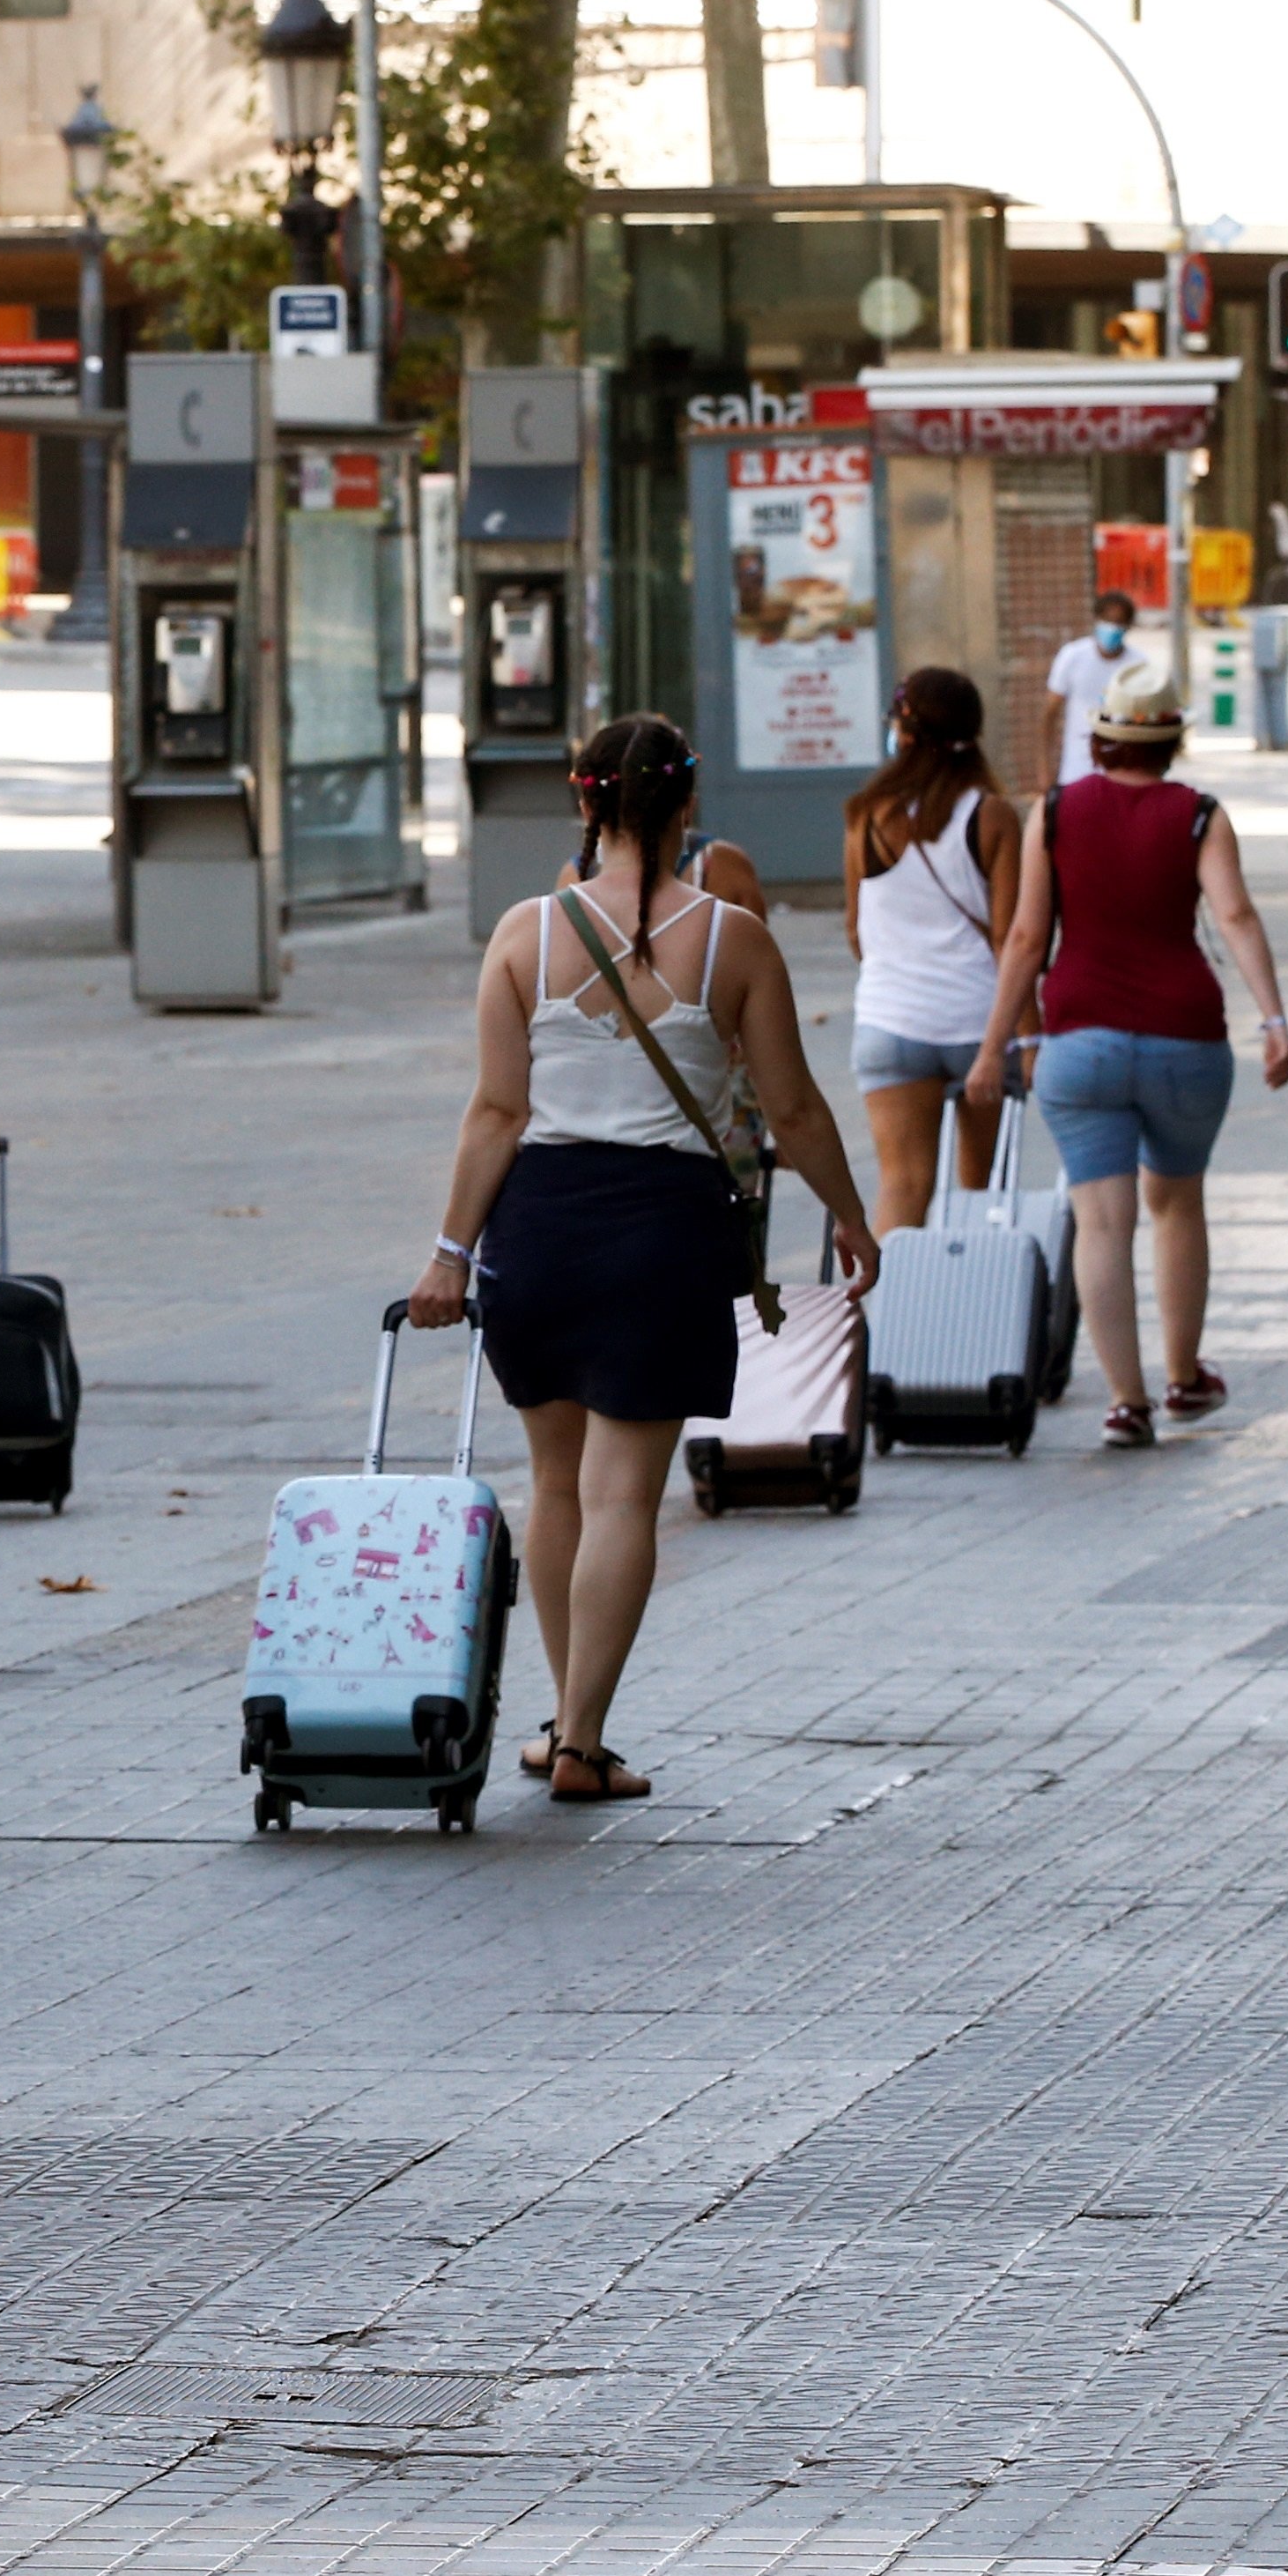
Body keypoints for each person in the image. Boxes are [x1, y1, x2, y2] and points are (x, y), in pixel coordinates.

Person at [407, 716, 877, 1805]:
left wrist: (447, 1256)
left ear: (588, 806)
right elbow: (793, 1108)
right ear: (685, 808)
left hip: (540, 1229)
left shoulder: (524, 935)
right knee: (626, 1498)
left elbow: (495, 1110)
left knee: (557, 1486)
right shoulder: (734, 939)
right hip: (665, 1231)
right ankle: (582, 1741)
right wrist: (851, 1216)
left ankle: (562, 1725)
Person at [964, 665, 1288, 1448]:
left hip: (1080, 1043)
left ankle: (1126, 1401)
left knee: (1102, 1222)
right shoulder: (1200, 816)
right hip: (1186, 1038)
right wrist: (1275, 1018)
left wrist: (995, 1048)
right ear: (1173, 738)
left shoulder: (1055, 813)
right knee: (1177, 1204)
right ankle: (1184, 1377)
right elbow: (1237, 913)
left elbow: (1023, 939)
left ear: (1100, 736)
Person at [837, 665, 1024, 1235]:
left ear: (904, 730)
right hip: (978, 1026)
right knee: (981, 1186)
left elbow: (855, 931)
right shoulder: (992, 815)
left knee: (902, 1185)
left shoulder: (866, 814)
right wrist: (1029, 1034)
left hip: (892, 1022)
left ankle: (894, 1316)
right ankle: (974, 1316)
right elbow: (1012, 937)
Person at [1044, 590, 1137, 786]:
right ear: (1097, 620)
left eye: (1119, 622)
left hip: (1122, 772)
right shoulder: (1072, 656)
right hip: (1076, 770)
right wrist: (1045, 768)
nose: (1112, 628)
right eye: (1107, 620)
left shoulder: (1138, 665)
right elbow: (1050, 712)